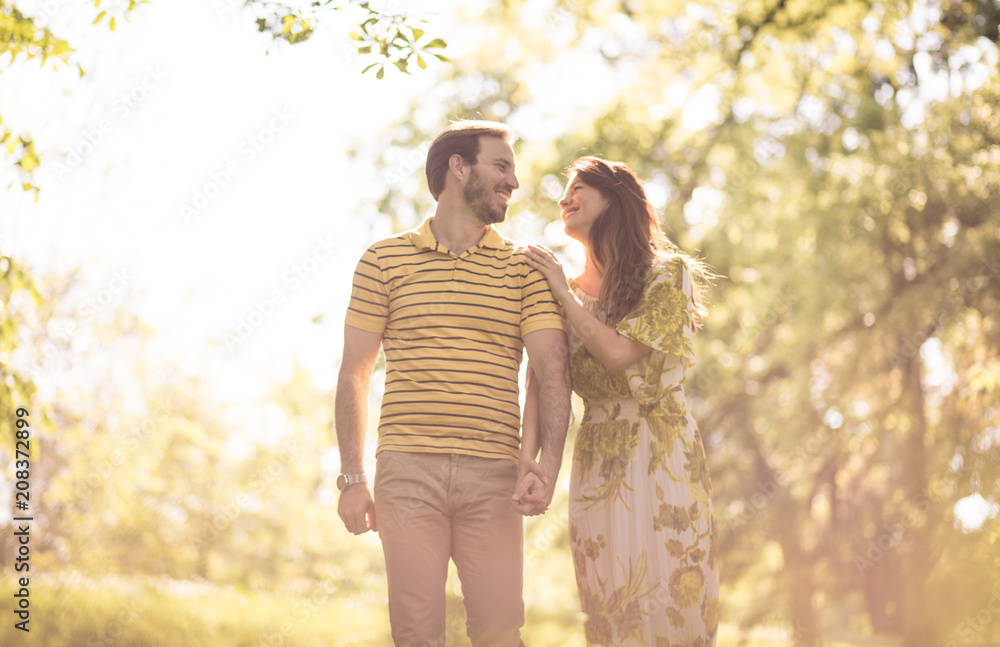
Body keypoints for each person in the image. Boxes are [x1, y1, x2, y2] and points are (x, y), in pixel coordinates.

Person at [335, 120, 572, 647]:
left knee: (499, 626)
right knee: (417, 631)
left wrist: (549, 464)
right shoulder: (383, 260)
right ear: (458, 167)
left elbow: (552, 369)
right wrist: (352, 477)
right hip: (407, 470)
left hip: (494, 476)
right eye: (502, 166)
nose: (514, 182)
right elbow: (355, 372)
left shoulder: (524, 270)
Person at [516, 156, 719, 645]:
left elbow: (618, 355)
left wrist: (564, 294)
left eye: (579, 187)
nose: (565, 198)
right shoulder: (558, 285)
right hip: (597, 459)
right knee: (609, 604)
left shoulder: (667, 274)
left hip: (662, 452)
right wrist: (532, 463)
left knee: (670, 598)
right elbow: (543, 382)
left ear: (616, 199)